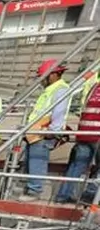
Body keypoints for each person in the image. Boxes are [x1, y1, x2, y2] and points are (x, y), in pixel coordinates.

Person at [20, 59, 72, 201]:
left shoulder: (60, 89)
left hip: (43, 133)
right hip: (36, 132)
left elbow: (59, 112)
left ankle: (34, 190)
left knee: (38, 161)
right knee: (31, 161)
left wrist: (52, 131)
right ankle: (29, 187)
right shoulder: (50, 90)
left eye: (44, 77)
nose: (41, 81)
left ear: (53, 75)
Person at [56, 68, 100, 203]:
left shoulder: (94, 87)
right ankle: (90, 194)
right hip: (97, 134)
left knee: (77, 165)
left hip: (84, 133)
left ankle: (63, 196)